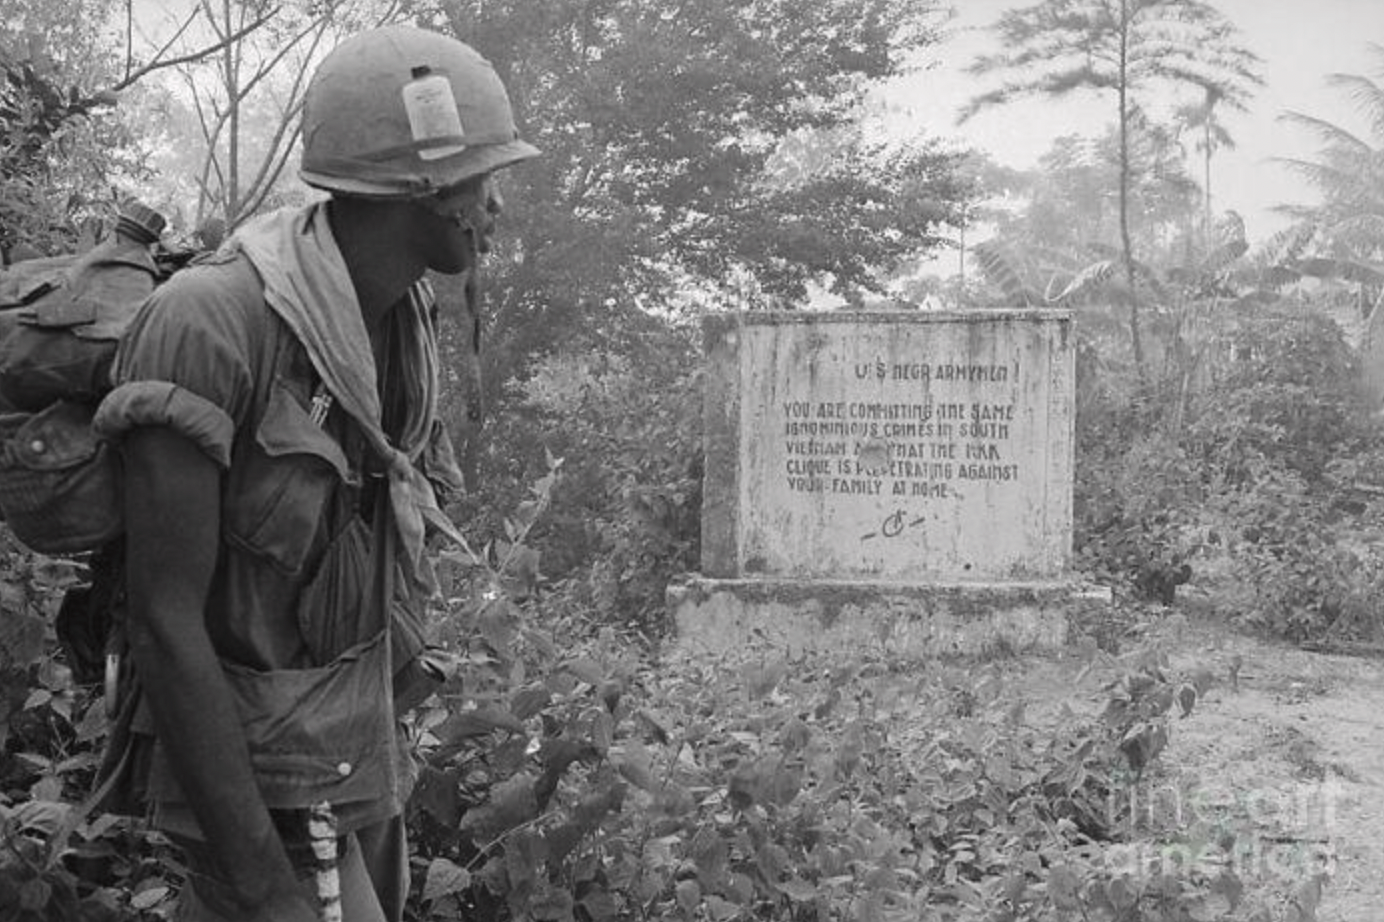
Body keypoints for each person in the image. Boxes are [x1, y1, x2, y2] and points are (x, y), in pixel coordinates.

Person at [91, 24, 538, 922]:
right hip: (250, 769)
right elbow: (164, 622)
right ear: (424, 188)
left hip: (351, 740)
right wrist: (261, 887)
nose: (493, 208)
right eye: (482, 179)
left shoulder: (400, 314)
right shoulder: (210, 326)